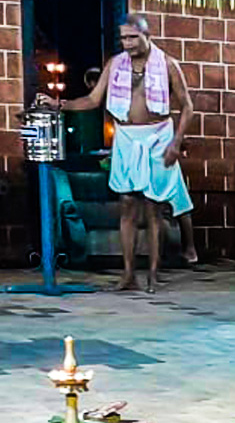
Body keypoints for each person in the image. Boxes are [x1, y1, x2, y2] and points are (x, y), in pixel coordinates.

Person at [38, 16, 193, 292]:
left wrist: (175, 144)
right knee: (127, 205)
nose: (128, 44)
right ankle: (129, 274)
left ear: (147, 35)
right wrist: (57, 104)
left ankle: (154, 274)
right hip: (126, 138)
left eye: (133, 37)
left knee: (153, 208)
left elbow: (187, 107)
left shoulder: (168, 65)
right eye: (123, 38)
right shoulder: (115, 65)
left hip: (158, 137)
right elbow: (93, 100)